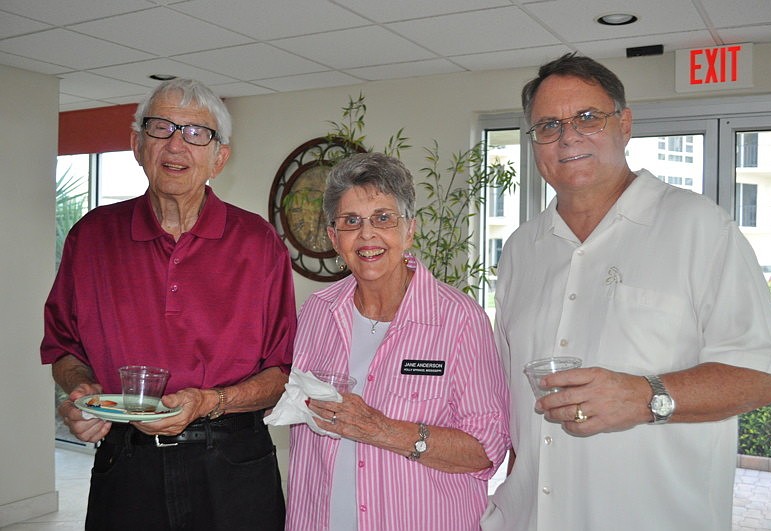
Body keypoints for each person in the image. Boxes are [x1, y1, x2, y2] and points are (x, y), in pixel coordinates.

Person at [481, 53, 771, 531]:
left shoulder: (697, 227)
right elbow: (518, 408)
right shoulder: (522, 249)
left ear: (624, 124)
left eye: (587, 117)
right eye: (548, 125)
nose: (568, 136)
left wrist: (644, 396)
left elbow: (766, 374)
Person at [41, 79, 296, 530]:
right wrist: (82, 392)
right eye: (161, 127)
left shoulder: (259, 243)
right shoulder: (92, 238)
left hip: (233, 464)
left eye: (197, 133)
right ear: (137, 144)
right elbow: (64, 348)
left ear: (220, 157)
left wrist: (208, 401)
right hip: (126, 463)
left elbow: (281, 373)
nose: (176, 143)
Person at [285, 152, 510, 530]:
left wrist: (380, 428)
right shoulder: (317, 312)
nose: (367, 234)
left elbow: (485, 451)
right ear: (333, 238)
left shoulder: (458, 320)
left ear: (409, 230)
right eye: (351, 221)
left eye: (383, 218)